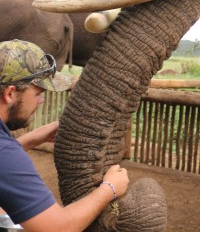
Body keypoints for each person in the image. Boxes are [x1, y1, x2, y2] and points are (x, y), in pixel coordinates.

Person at [0, 39, 129, 232]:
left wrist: (29, 140)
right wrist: (109, 188)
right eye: (38, 93)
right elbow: (58, 228)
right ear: (10, 94)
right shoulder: (6, 155)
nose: (42, 101)